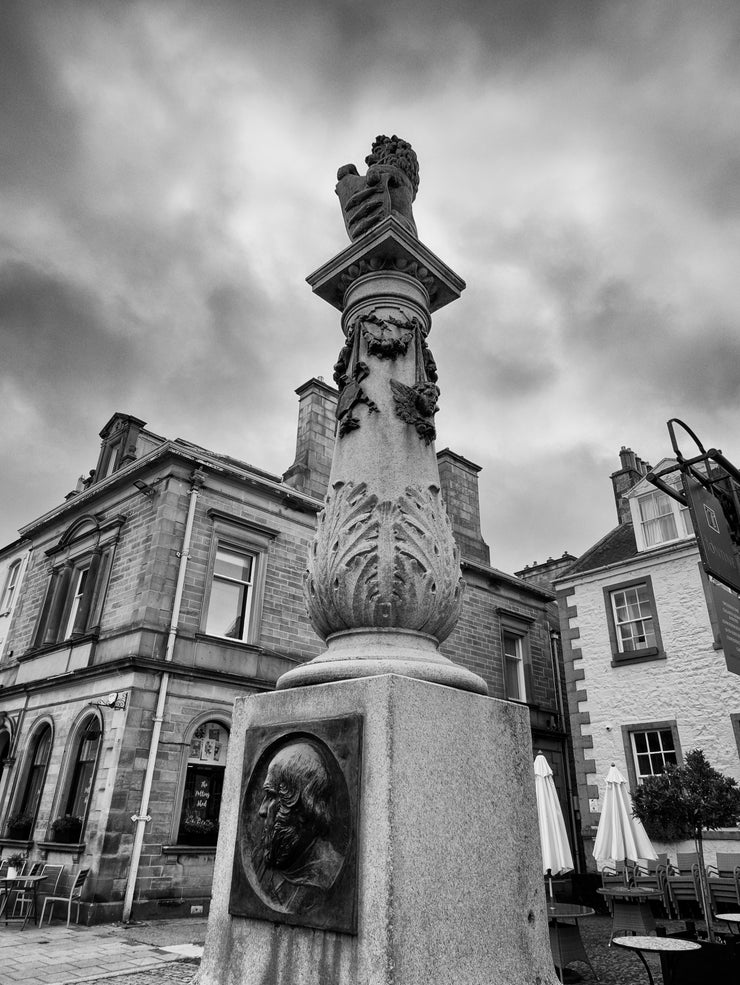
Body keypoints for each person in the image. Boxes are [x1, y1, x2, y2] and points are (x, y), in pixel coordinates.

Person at [252, 741, 343, 912]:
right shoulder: (260, 858)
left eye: (271, 796)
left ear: (303, 807)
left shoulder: (325, 878)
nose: (261, 810)